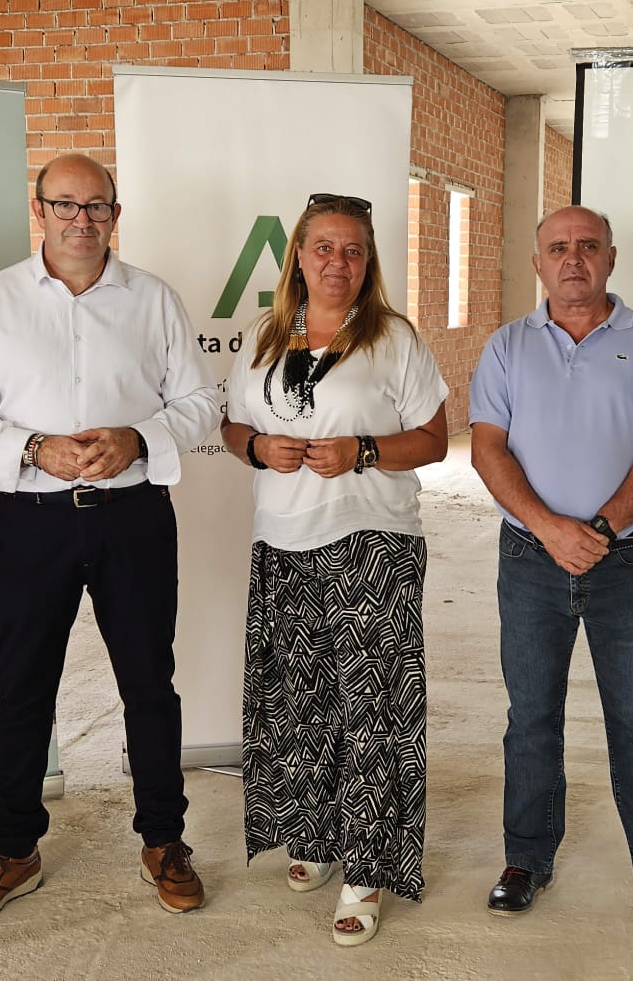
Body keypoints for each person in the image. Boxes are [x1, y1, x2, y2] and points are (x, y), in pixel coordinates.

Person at [0, 153, 221, 927]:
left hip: (133, 515)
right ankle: (14, 847)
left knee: (148, 686)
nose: (82, 220)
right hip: (32, 519)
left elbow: (200, 402)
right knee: (24, 687)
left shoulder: (153, 300)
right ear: (41, 211)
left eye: (97, 207)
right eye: (66, 205)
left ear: (115, 215)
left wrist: (139, 436)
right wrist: (34, 448)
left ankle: (164, 840)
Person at [468, 205, 633, 939]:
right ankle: (526, 860)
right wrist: (550, 529)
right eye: (557, 248)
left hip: (624, 561)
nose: (573, 259)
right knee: (530, 718)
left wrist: (598, 531)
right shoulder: (508, 347)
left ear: (610, 259)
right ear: (538, 264)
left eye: (587, 247)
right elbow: (486, 450)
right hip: (529, 560)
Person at [220, 193, 449, 947]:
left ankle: (367, 866)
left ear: (369, 261)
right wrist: (255, 448)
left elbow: (437, 439)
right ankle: (317, 837)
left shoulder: (394, 339)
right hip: (281, 542)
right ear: (298, 256)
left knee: (370, 712)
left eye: (353, 251)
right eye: (324, 248)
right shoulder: (265, 336)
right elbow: (233, 424)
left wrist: (366, 451)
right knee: (304, 704)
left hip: (369, 542)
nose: (338, 263)